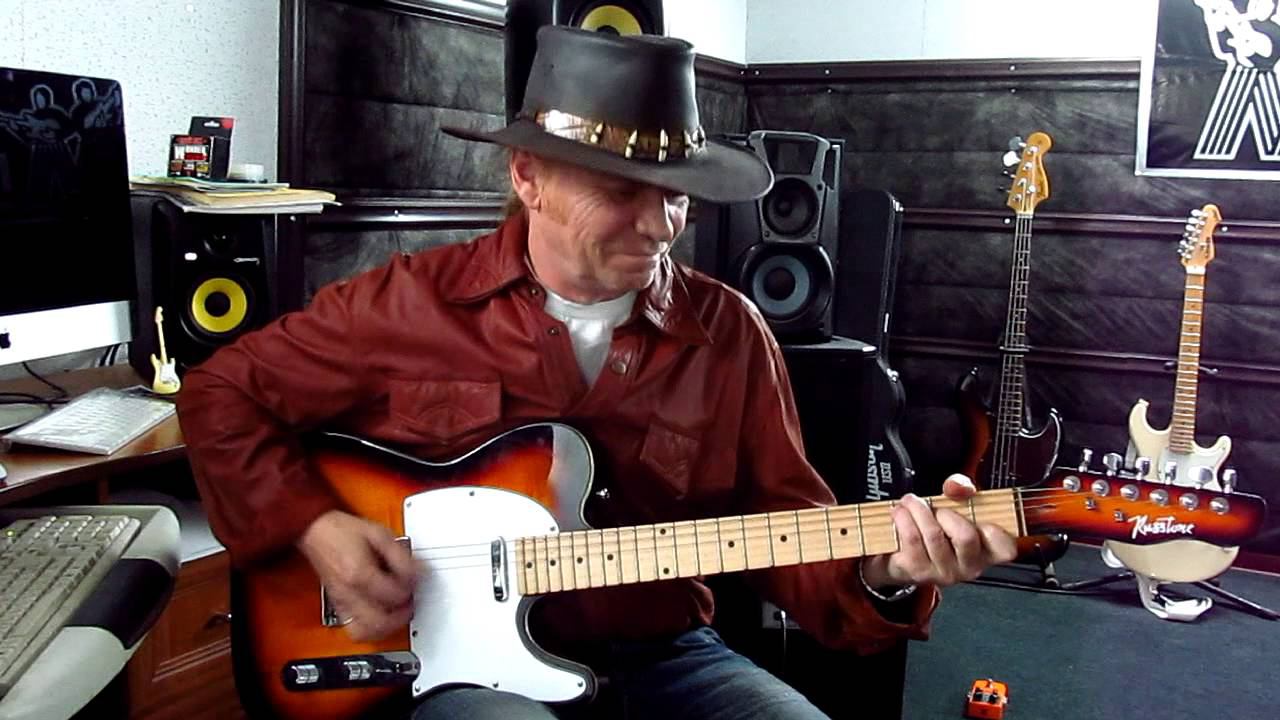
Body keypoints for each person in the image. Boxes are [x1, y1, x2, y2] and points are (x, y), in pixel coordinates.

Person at [177, 25, 1017, 720]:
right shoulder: (406, 304)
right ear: (528, 177)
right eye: (623, 189)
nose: (662, 224)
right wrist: (314, 527)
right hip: (452, 670)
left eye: (677, 193)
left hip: (666, 654)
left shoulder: (728, 332)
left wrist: (884, 570)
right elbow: (220, 395)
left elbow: (789, 527)